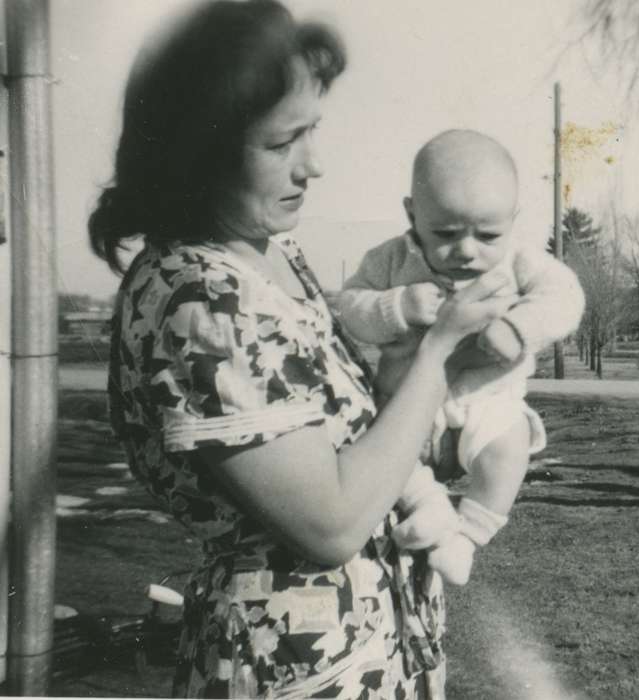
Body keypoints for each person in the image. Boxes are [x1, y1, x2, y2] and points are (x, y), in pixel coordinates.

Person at [92, 2, 512, 697]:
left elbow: (367, 441)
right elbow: (331, 523)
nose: (313, 165)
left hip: (375, 652)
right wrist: (438, 355)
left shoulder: (268, 256)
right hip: (295, 669)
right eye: (283, 142)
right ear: (202, 150)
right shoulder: (200, 300)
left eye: (312, 131)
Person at [335, 129, 584, 585]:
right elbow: (350, 307)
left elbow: (566, 296)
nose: (467, 250)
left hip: (486, 399)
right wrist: (398, 307)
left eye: (488, 234)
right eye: (445, 233)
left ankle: (467, 536)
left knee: (509, 450)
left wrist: (518, 327)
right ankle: (429, 508)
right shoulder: (389, 261)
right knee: (383, 454)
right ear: (412, 214)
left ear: (513, 219)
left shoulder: (520, 260)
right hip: (406, 402)